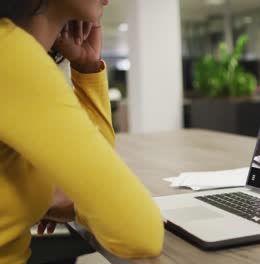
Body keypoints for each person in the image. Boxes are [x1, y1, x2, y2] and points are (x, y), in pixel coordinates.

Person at [0, 1, 164, 263]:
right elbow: (140, 233)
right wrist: (75, 205)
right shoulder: (10, 54)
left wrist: (87, 68)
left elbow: (96, 175)